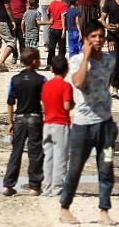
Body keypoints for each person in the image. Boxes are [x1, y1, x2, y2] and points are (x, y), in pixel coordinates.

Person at [59, 20, 117, 226]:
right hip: (83, 127)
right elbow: (79, 83)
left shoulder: (110, 60)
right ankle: (65, 208)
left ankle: (104, 210)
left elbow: (107, 84)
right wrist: (86, 57)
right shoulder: (75, 61)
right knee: (75, 168)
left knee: (107, 166)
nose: (97, 40)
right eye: (93, 37)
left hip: (106, 127)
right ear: (85, 40)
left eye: (100, 36)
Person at [2, 47, 46, 197]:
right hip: (35, 118)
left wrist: (10, 122)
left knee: (16, 152)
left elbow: (10, 101)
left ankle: (8, 185)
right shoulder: (41, 79)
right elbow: (45, 100)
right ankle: (35, 186)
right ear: (34, 62)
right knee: (35, 153)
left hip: (20, 119)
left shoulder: (15, 79)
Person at [40, 55, 74, 197]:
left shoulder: (46, 85)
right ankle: (58, 188)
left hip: (47, 124)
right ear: (67, 69)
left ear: (52, 69)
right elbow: (67, 105)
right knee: (61, 156)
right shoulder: (66, 86)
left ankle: (47, 187)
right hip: (61, 123)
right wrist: (73, 104)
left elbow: (42, 103)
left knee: (48, 156)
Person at [7, 0, 31, 64]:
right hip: (11, 19)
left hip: (22, 19)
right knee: (12, 39)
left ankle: (22, 57)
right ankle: (14, 55)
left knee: (22, 39)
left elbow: (28, 5)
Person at [46, 0, 68, 69]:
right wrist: (63, 30)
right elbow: (63, 17)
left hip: (52, 27)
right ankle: (60, 64)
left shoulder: (52, 3)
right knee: (62, 48)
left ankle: (49, 64)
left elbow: (48, 12)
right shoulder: (64, 5)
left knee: (51, 47)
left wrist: (51, 19)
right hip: (59, 28)